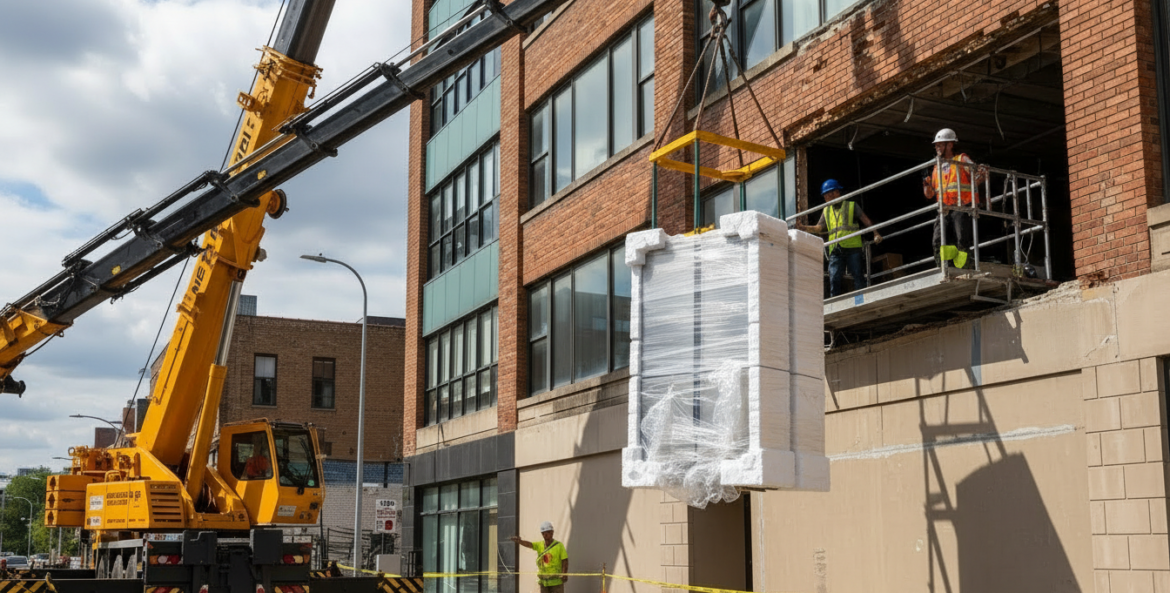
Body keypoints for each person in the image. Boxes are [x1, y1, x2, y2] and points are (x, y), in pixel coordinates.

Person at [797, 179, 882, 297]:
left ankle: (860, 300)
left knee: (857, 275)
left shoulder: (851, 206)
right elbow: (819, 228)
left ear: (838, 192)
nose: (829, 197)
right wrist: (804, 228)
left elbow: (866, 220)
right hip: (836, 249)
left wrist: (875, 233)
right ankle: (834, 302)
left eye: (831, 194)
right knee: (834, 277)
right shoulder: (826, 210)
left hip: (853, 247)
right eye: (826, 196)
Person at [923, 128, 988, 269]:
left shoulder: (961, 159)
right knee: (938, 240)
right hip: (944, 209)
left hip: (961, 205)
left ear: (950, 144)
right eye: (936, 145)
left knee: (962, 239)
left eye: (940, 144)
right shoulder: (936, 167)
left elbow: (979, 176)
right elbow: (930, 194)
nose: (937, 148)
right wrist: (926, 186)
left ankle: (964, 268)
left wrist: (979, 177)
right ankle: (945, 268)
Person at [510, 521, 568, 593]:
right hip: (544, 582)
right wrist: (520, 541)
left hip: (556, 582)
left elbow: (565, 560)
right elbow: (530, 544)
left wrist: (564, 573)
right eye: (543, 533)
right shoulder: (539, 545)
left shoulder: (559, 546)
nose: (545, 535)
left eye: (547, 532)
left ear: (552, 533)